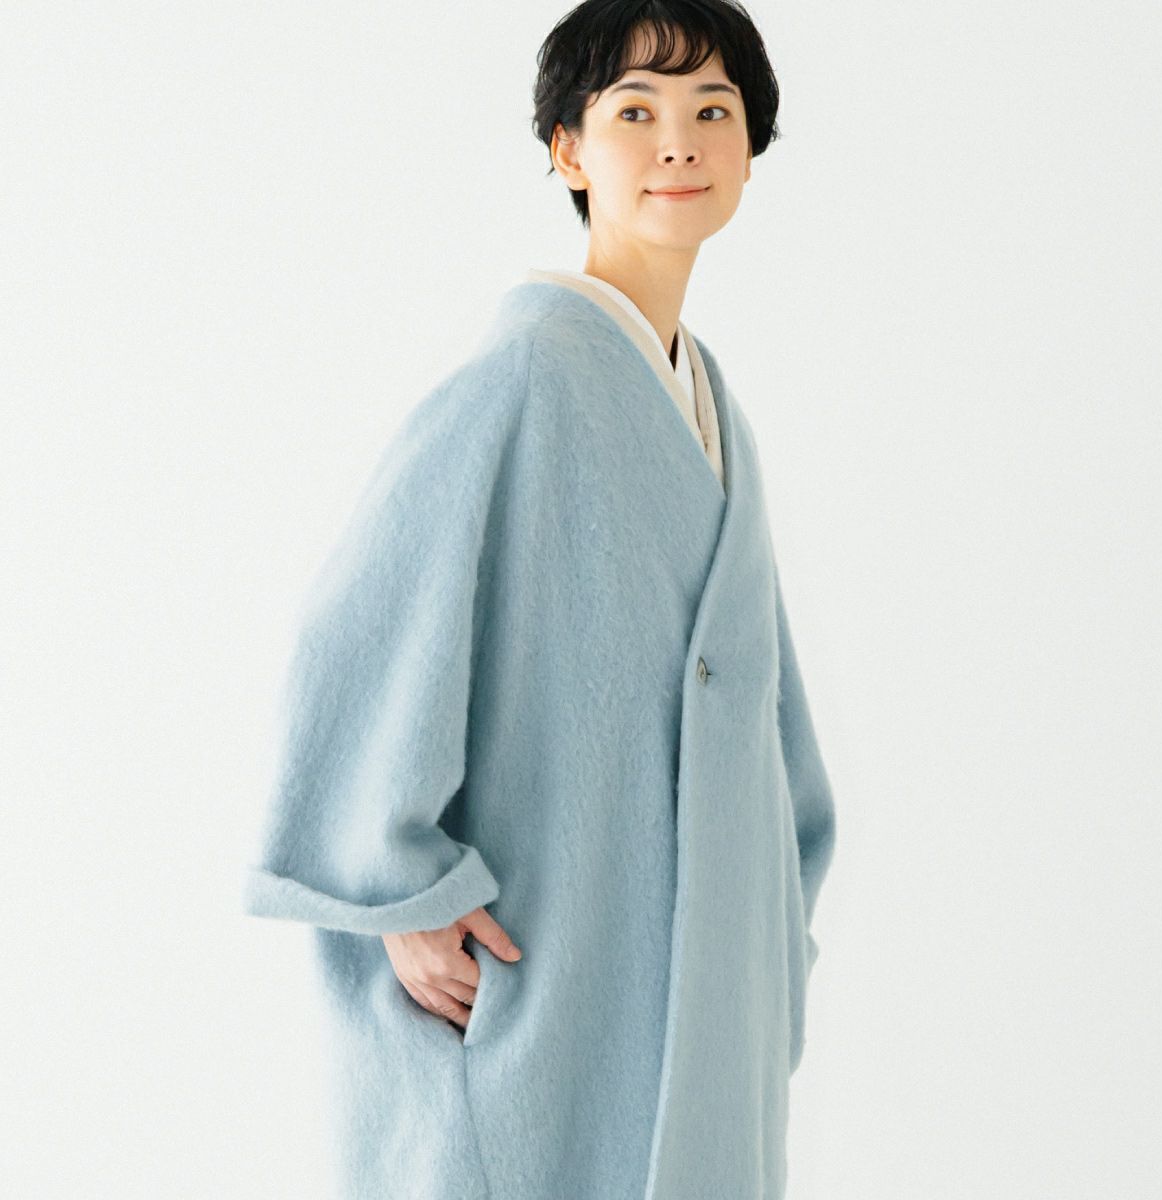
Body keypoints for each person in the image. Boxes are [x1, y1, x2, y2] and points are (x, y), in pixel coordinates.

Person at [242, 3, 837, 1198]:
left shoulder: (710, 407)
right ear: (568, 149)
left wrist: (772, 930)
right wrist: (402, 893)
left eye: (713, 110)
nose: (680, 142)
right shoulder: (527, 375)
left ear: (749, 149)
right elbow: (353, 635)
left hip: (694, 990)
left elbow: (759, 713)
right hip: (554, 982)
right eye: (636, 111)